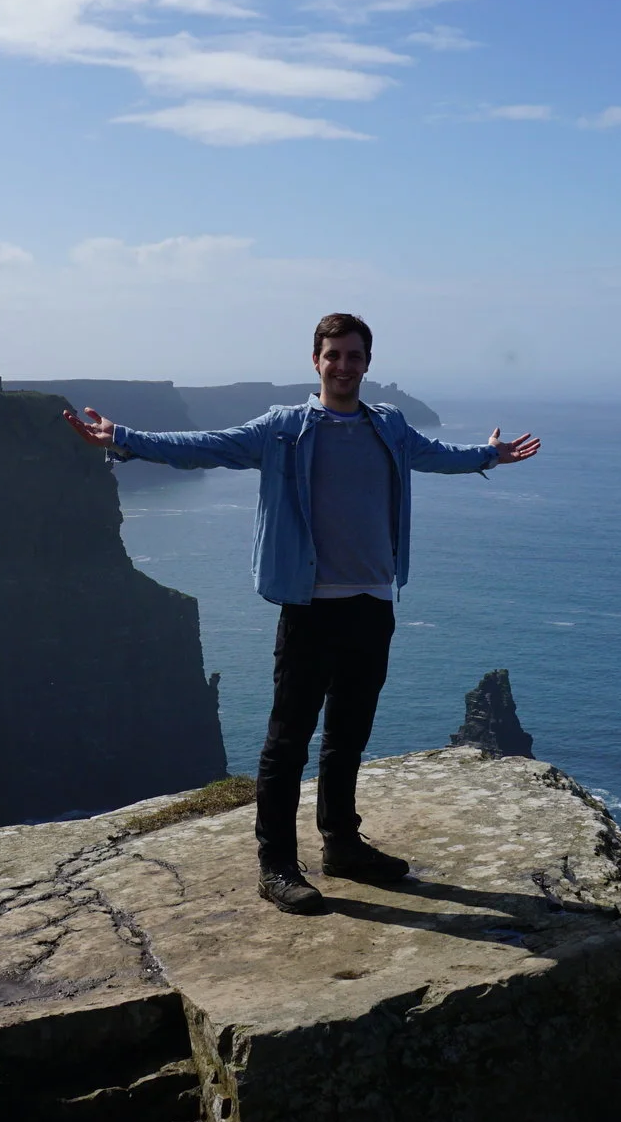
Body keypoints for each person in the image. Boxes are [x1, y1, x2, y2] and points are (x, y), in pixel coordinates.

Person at [62, 312, 540, 914]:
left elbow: (436, 454)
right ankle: (277, 866)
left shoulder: (387, 426)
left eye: (354, 356)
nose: (343, 366)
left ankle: (342, 845)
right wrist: (124, 437)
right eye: (333, 355)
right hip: (309, 607)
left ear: (368, 364)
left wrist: (487, 455)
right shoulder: (285, 428)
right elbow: (205, 447)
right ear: (315, 361)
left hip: (373, 603)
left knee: (348, 735)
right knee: (288, 740)